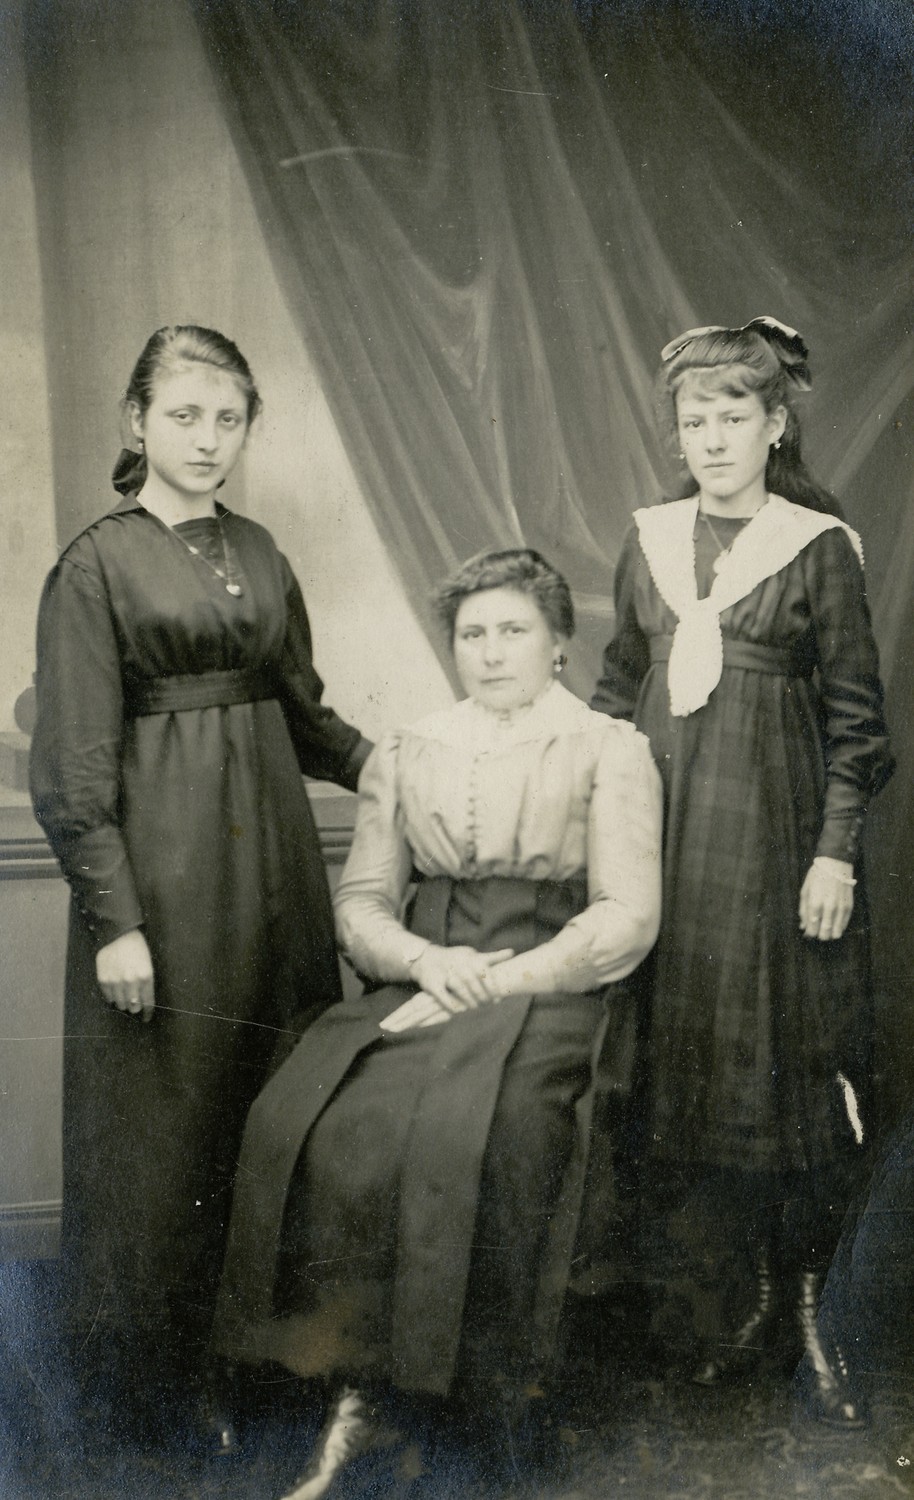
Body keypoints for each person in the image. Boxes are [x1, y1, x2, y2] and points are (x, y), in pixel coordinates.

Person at [210, 548, 663, 1497]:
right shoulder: (410, 749)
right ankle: (357, 1385)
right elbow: (364, 903)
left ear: (558, 642)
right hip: (431, 976)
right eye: (471, 634)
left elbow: (626, 917)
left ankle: (476, 1396)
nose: (490, 653)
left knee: (496, 1128)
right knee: (329, 1122)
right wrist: (426, 961)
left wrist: (505, 979)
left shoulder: (607, 747)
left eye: (514, 631)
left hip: (554, 987)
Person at [29, 326, 372, 1450]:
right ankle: (164, 1386)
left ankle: (266, 1364)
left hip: (272, 866)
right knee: (172, 1126)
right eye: (184, 416)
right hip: (166, 883)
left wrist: (395, 769)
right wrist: (115, 922)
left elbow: (306, 713)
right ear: (137, 423)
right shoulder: (95, 565)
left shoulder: (262, 551)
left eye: (229, 419)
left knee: (276, 1103)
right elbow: (73, 766)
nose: (208, 439)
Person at [591, 317, 893, 1427]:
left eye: (733, 416)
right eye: (695, 420)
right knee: (678, 1065)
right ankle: (718, 1301)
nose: (712, 438)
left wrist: (833, 855)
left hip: (774, 846)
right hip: (663, 842)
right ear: (676, 434)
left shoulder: (816, 549)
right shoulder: (649, 541)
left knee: (784, 1066)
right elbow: (612, 694)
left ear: (774, 427)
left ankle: (804, 1304)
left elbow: (859, 727)